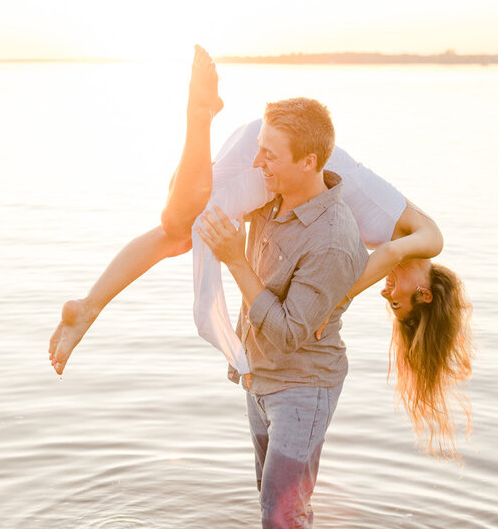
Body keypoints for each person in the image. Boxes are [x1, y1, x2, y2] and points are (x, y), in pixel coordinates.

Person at [48, 46, 473, 458]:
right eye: (397, 301)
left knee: (181, 230)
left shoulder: (391, 234)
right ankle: (200, 117)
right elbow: (377, 263)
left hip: (287, 159)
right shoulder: (429, 239)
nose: (387, 293)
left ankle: (88, 306)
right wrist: (338, 301)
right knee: (181, 224)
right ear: (426, 293)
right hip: (289, 158)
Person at [198, 95, 365, 529]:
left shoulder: (334, 239)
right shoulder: (269, 200)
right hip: (260, 379)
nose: (258, 163)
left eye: (270, 154)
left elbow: (291, 332)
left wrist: (234, 260)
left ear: (309, 162)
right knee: (278, 511)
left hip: (304, 387)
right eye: (259, 150)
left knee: (281, 518)